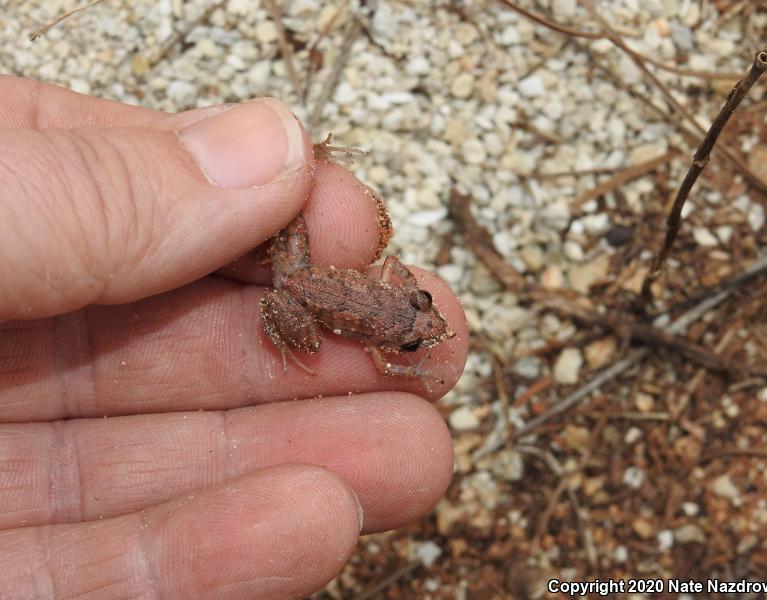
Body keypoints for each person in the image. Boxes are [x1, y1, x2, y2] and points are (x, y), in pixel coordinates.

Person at [0, 76, 467, 598]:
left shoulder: (397, 304)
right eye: (421, 311)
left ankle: (300, 173)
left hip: (305, 270)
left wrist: (408, 302)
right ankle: (297, 178)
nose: (423, 322)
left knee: (296, 229)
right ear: (404, 319)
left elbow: (398, 268)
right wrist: (413, 363)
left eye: (412, 339)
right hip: (295, 287)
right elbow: (386, 356)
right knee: (310, 331)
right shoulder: (385, 343)